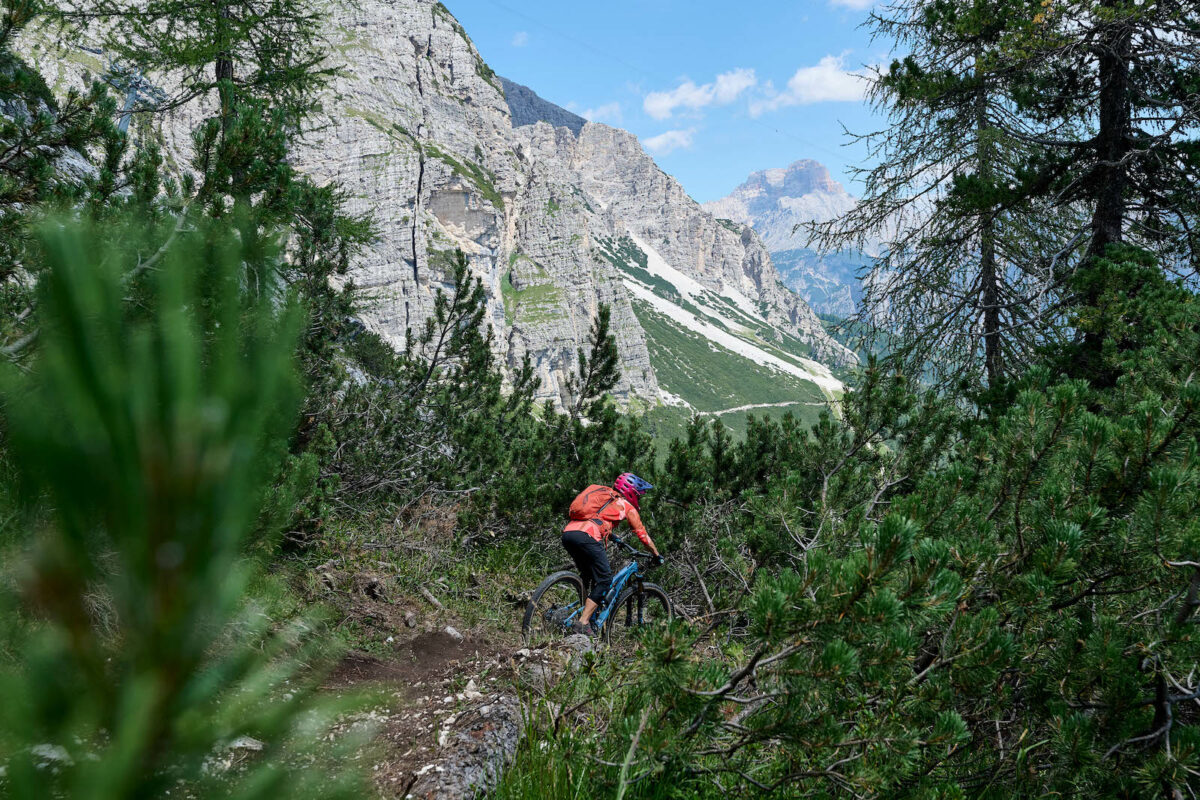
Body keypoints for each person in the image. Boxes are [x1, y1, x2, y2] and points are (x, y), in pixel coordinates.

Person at [561, 472, 663, 635]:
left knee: (588, 576)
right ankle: (583, 623)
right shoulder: (626, 506)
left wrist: (612, 536)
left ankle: (572, 615)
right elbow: (642, 535)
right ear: (631, 492)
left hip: (569, 534)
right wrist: (657, 555)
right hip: (588, 537)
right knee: (605, 579)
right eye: (638, 494)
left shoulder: (603, 493)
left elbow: (595, 518)